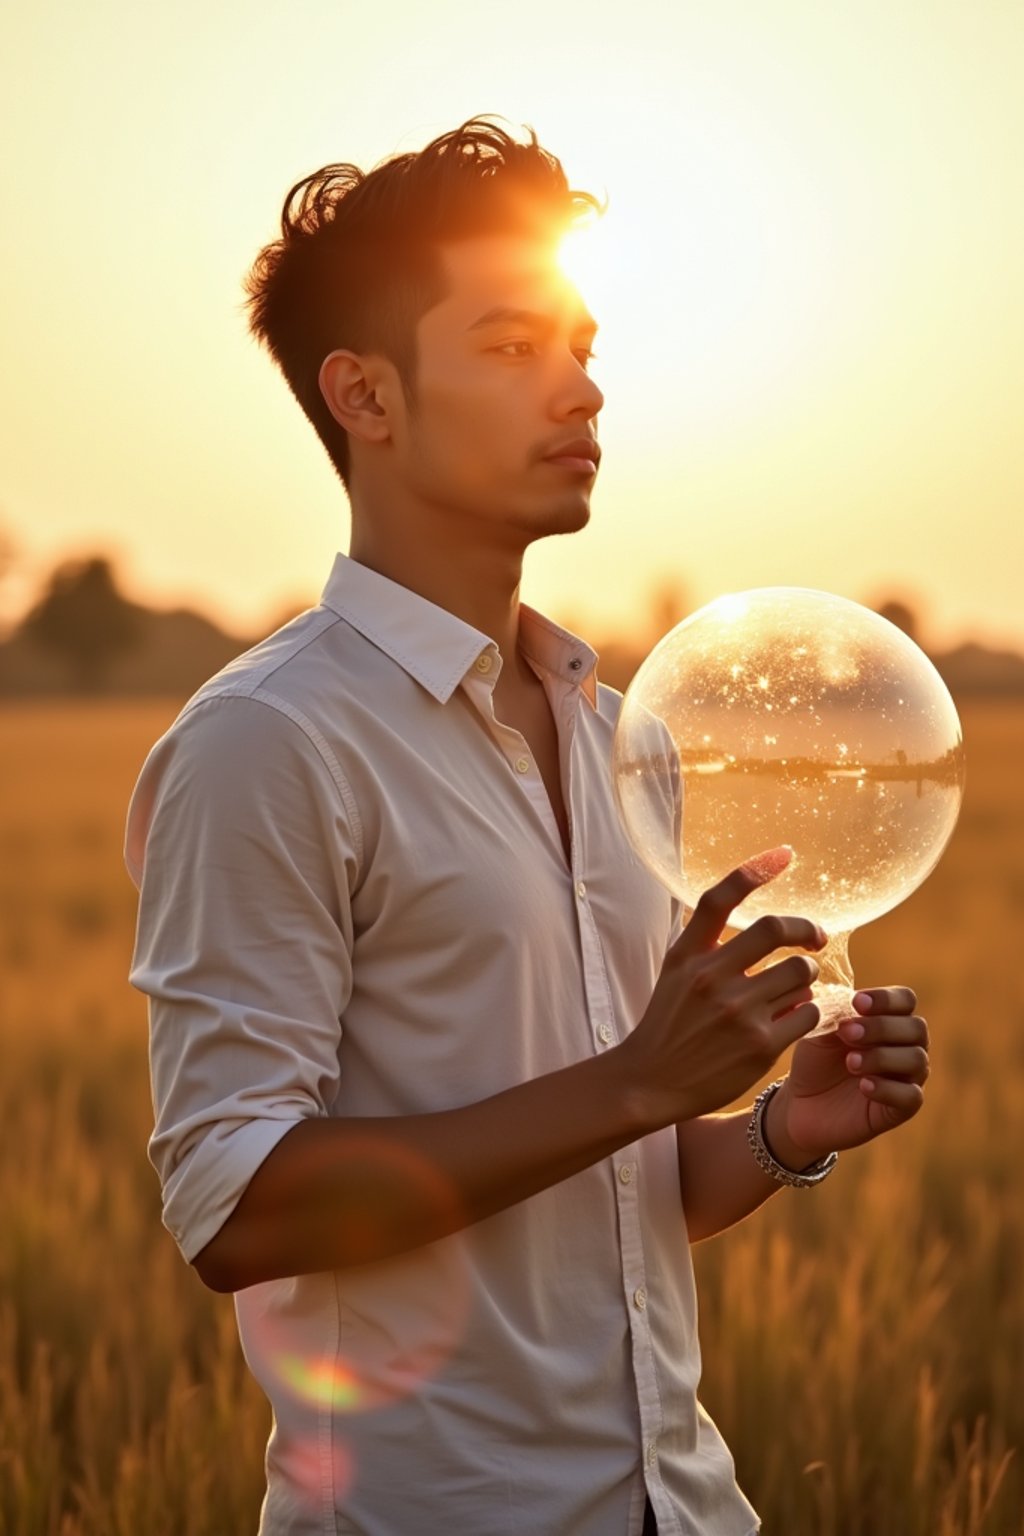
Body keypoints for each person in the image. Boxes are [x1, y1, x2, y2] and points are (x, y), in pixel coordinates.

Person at [125, 118, 930, 1536]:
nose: (581, 390)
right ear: (363, 395)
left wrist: (784, 1129)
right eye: (512, 348)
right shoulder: (268, 743)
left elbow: (611, 1199)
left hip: (690, 1508)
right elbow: (237, 1208)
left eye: (582, 344)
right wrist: (634, 1080)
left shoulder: (624, 735)